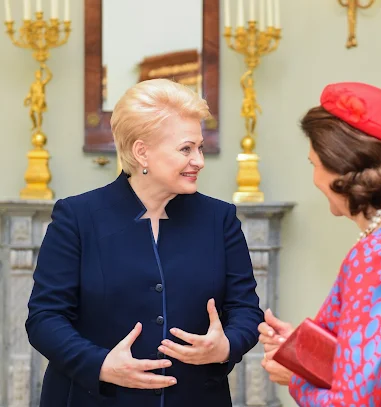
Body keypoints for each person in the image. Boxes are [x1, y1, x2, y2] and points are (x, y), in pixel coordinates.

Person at [25, 79, 263, 407]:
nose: (199, 161)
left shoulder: (220, 219)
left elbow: (246, 310)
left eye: (200, 148)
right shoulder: (77, 217)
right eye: (186, 148)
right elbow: (44, 318)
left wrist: (226, 346)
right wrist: (102, 365)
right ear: (142, 151)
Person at [258, 82, 381, 406]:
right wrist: (302, 351)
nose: (314, 179)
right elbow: (377, 362)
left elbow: (354, 401)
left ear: (341, 169)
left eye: (313, 165)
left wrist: (296, 378)